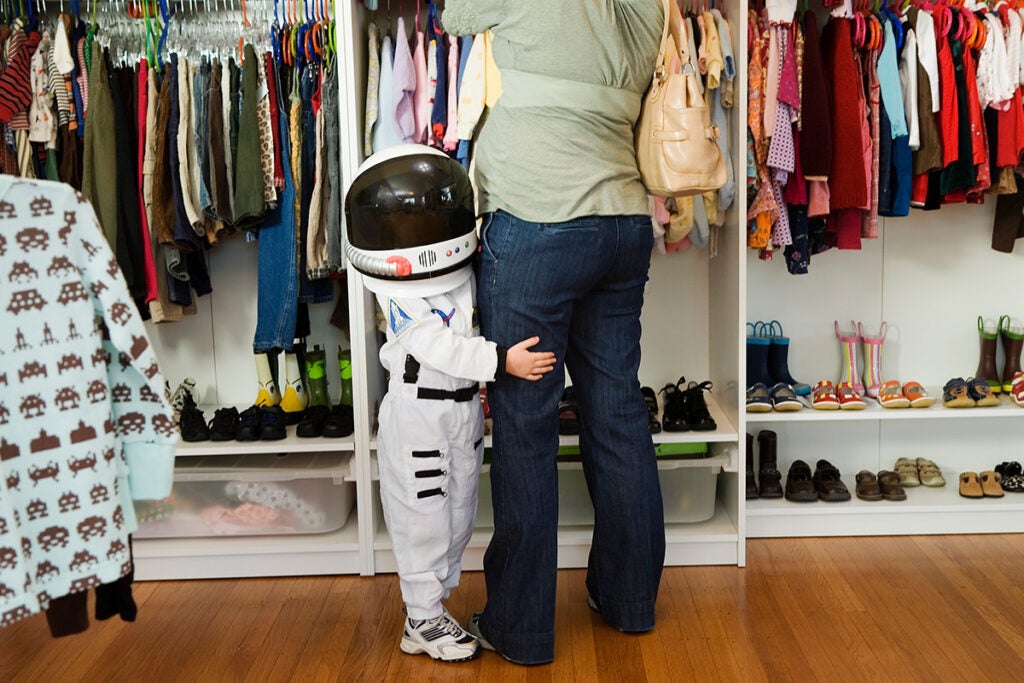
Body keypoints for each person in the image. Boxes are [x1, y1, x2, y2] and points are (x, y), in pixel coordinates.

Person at [441, 0, 667, 665]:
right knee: (618, 412)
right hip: (623, 222)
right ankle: (628, 600)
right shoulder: (647, 6)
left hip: (541, 219)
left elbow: (452, 14)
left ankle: (520, 626)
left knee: (525, 424)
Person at [344, 144, 556, 662]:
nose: (421, 230)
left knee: (459, 512)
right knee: (424, 516)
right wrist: (501, 360)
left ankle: (432, 609)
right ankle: (421, 616)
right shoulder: (396, 291)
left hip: (461, 412)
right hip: (418, 413)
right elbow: (438, 345)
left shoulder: (461, 271)